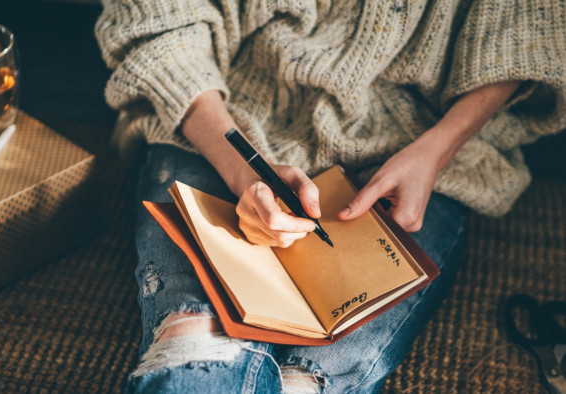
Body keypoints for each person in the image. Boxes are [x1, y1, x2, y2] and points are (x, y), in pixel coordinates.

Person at [95, 1, 566, 392]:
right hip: (218, 123)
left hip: (412, 146)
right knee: (198, 348)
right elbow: (157, 21)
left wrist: (436, 151)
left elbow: (527, 40)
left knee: (311, 383)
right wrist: (242, 171)